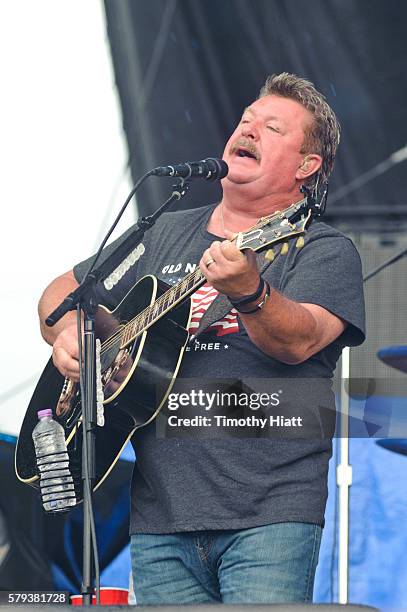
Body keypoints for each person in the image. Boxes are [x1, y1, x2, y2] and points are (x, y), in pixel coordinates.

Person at [38, 73, 365, 604]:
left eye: (272, 127)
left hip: (269, 515)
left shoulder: (322, 250)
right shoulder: (165, 230)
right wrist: (74, 332)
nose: (250, 129)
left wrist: (250, 292)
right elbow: (61, 293)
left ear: (306, 167)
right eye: (245, 121)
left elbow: (298, 341)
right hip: (158, 518)